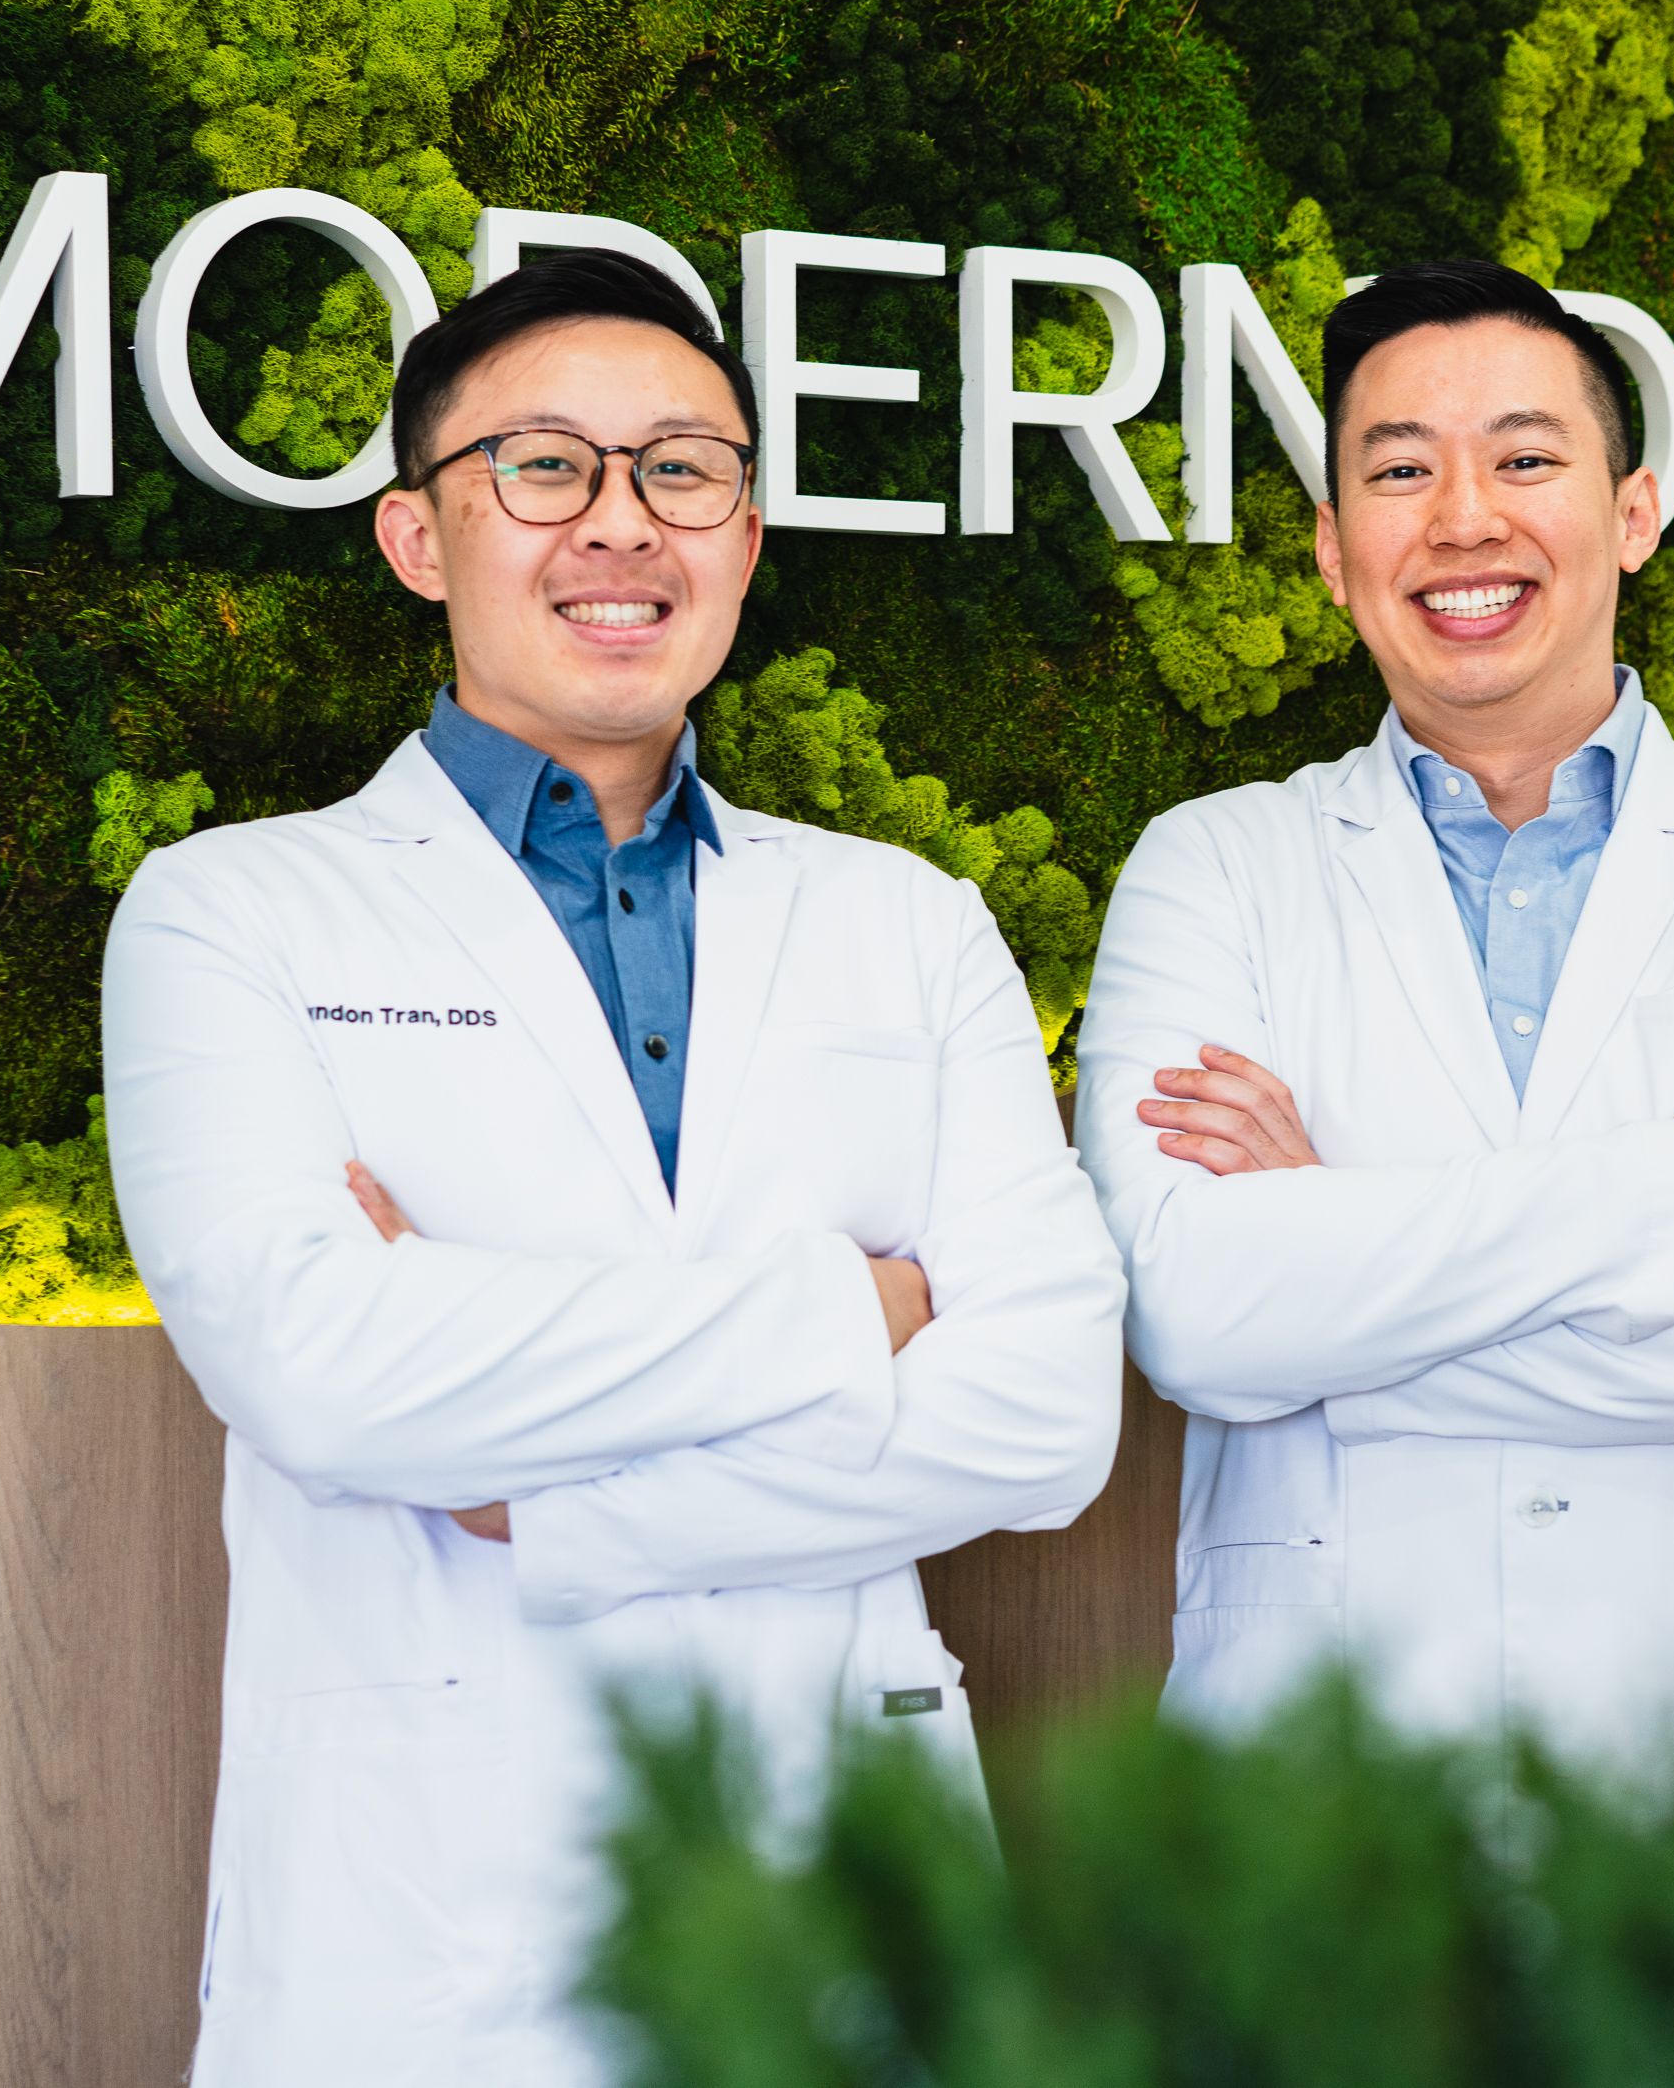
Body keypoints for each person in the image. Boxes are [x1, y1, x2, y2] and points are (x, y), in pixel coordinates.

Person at [101, 249, 1126, 2088]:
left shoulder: (908, 920)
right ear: (418, 536)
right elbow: (325, 1374)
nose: (622, 522)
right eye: (545, 466)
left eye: (683, 469)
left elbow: (1047, 1416)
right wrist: (861, 1311)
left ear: (746, 534)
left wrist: (542, 1496)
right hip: (442, 1905)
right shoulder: (232, 911)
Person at [1072, 259, 1674, 2086]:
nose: (1463, 518)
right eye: (1400, 470)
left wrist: (1346, 1271)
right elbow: (1203, 1317)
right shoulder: (1211, 868)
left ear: (1632, 512)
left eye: (1524, 457)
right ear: (1332, 548)